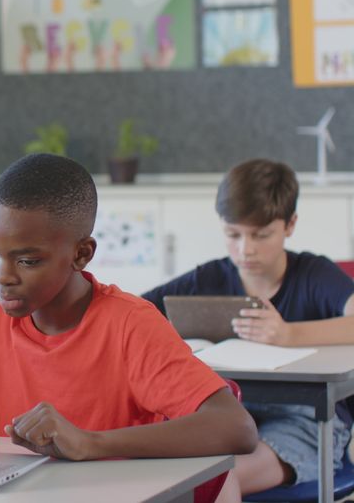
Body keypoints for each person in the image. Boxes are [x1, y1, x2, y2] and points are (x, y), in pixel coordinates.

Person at [0, 154, 256, 470]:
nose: (2, 276)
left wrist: (91, 443)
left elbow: (237, 428)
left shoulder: (129, 324)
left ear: (81, 254)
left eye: (27, 261)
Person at [141, 158, 354, 500]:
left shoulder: (314, 274)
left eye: (261, 235)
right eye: (233, 234)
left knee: (217, 480)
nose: (246, 249)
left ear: (290, 225)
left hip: (306, 420)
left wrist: (289, 335)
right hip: (229, 414)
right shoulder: (208, 277)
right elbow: (135, 314)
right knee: (159, 471)